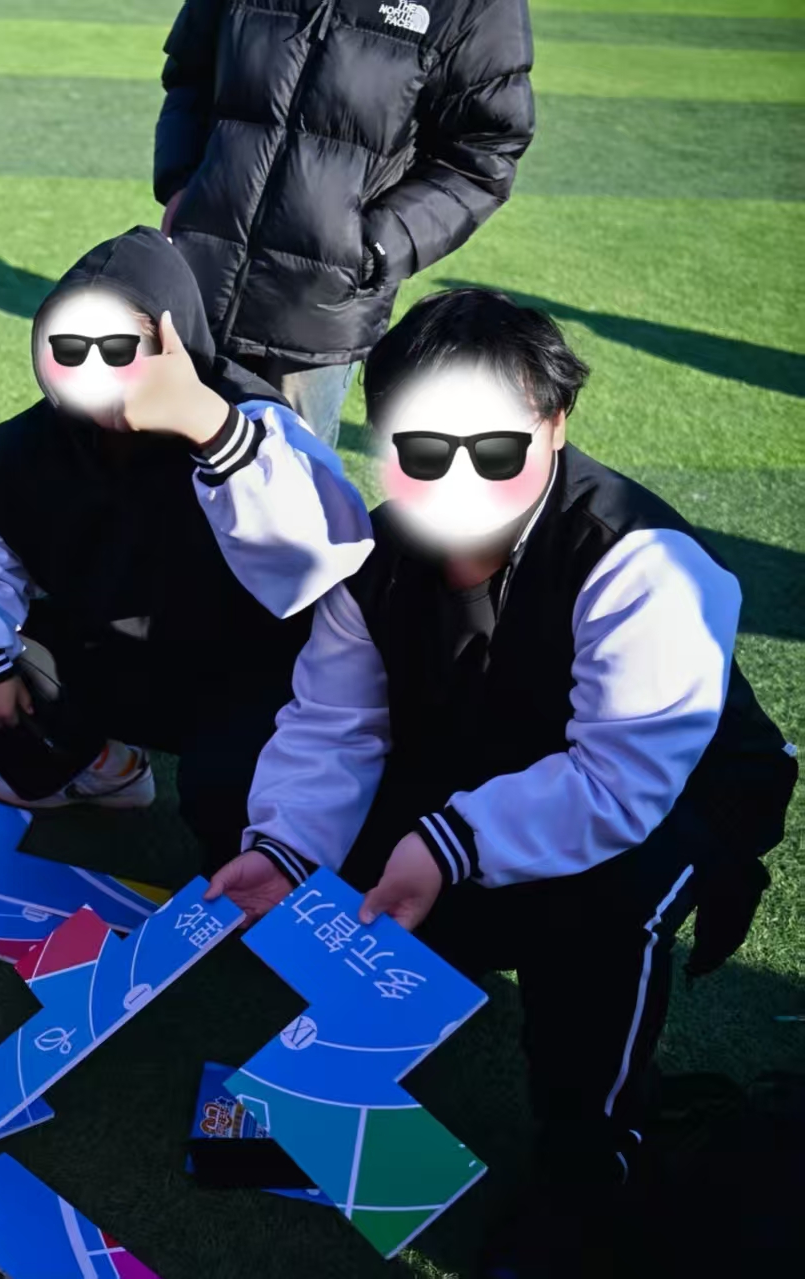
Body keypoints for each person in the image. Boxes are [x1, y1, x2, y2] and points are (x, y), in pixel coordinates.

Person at [206, 290, 796, 1274]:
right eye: (423, 449)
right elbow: (335, 724)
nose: (459, 481)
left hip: (682, 783)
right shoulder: (376, 555)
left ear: (555, 425)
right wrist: (284, 845)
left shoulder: (642, 558)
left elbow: (622, 778)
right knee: (233, 781)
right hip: (495, 752)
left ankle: (589, 1162)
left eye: (495, 449)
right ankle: (425, 967)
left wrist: (447, 843)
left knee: (604, 905)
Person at [0, 227, 371, 853]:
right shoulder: (16, 447)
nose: (93, 369)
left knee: (223, 805)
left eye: (118, 348)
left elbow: (323, 564)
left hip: (249, 675)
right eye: (70, 348)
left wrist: (210, 430)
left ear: (170, 342)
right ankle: (105, 770)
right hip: (115, 656)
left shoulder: (256, 419)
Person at [153, 0, 535, 447]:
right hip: (201, 274)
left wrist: (375, 247)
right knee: (165, 467)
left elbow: (486, 149)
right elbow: (190, 74)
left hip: (320, 307)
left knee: (289, 476)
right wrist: (181, 182)